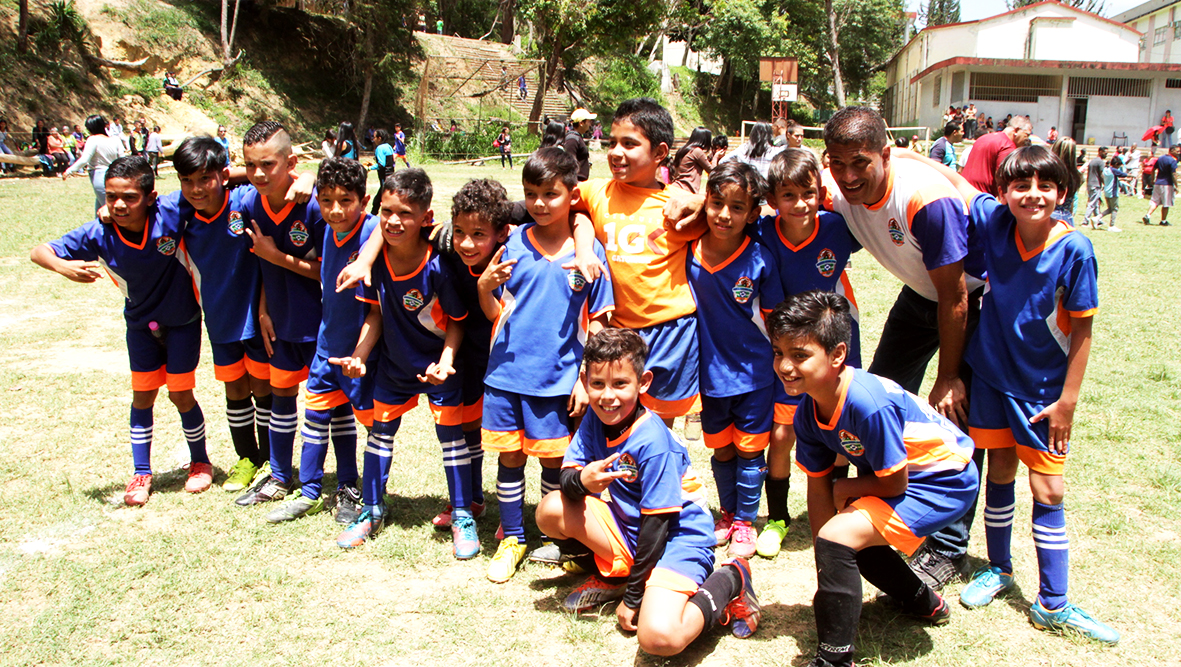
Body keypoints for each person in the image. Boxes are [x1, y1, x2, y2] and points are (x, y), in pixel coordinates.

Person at [938, 145, 1119, 644]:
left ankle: (1053, 604)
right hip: (992, 378)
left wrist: (1067, 402)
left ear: (1062, 193)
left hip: (1041, 394)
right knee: (998, 472)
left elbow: (1082, 332)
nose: (1032, 195)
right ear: (1003, 192)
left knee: (1049, 491)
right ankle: (998, 569)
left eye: (1045, 186)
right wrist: (901, 152)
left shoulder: (1075, 250)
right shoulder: (995, 221)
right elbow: (953, 181)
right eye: (1020, 185)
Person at [823, 107, 985, 590]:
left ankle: (949, 547)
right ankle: (877, 506)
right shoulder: (834, 185)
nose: (849, 176)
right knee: (875, 399)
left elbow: (956, 296)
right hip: (921, 294)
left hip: (973, 299)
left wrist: (949, 375)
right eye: (838, 163)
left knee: (957, 413)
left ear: (885, 156)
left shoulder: (923, 199)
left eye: (860, 164)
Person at [770, 291, 977, 667]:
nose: (785, 365)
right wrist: (825, 562)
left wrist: (846, 488)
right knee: (841, 542)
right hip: (897, 478)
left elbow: (894, 484)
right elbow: (818, 487)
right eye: (778, 353)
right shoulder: (808, 413)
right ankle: (925, 603)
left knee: (841, 536)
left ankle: (834, 660)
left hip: (943, 480)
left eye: (799, 355)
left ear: (837, 355)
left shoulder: (866, 403)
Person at [534, 328, 761, 652]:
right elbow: (569, 475)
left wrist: (634, 599)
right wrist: (583, 481)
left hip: (678, 537)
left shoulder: (653, 441)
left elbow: (658, 526)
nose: (607, 396)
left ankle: (733, 578)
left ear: (643, 383)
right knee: (550, 509)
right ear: (585, 382)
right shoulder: (596, 418)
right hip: (633, 530)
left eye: (620, 384)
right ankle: (618, 576)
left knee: (658, 638)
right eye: (598, 384)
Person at [30, 156, 212, 505]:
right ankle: (141, 473)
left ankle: (200, 461)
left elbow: (215, 180)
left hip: (183, 323)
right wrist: (62, 267)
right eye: (111, 196)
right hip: (140, 327)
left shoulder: (171, 212)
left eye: (129, 197)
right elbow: (39, 251)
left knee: (180, 394)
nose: (118, 205)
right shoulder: (98, 232)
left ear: (150, 197)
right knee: (142, 397)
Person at [477, 148, 614, 582]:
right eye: (531, 194)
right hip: (507, 374)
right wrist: (484, 287)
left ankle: (560, 540)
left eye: (551, 194)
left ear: (572, 195)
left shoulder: (589, 256)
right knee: (511, 458)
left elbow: (601, 326)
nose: (539, 203)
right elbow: (494, 312)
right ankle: (513, 538)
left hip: (558, 379)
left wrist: (584, 380)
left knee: (556, 464)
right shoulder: (513, 242)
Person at [332, 169, 475, 559]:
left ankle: (463, 514)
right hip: (394, 369)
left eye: (406, 213)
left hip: (438, 369)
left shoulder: (439, 265)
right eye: (387, 210)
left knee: (452, 443)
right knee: (379, 437)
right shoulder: (374, 262)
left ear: (426, 218)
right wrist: (359, 357)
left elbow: (458, 324)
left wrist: (445, 362)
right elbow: (375, 315)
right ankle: (372, 509)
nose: (394, 221)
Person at [570, 98, 708, 425]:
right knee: (612, 422)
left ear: (660, 153)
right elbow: (558, 203)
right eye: (611, 142)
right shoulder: (596, 192)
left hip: (672, 330)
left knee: (659, 426)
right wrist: (584, 247)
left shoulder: (677, 205)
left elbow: (731, 213)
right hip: (617, 332)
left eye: (629, 144)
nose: (616, 152)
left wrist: (701, 199)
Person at [752, 148, 861, 560]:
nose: (801, 204)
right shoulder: (763, 232)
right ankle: (778, 517)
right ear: (772, 199)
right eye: (789, 196)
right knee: (783, 433)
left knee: (840, 428)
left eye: (809, 193)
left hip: (836, 341)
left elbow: (872, 222)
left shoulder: (837, 227)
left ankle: (838, 506)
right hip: (787, 348)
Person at [265, 157, 378, 524]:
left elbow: (384, 225)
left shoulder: (372, 229)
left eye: (346, 200)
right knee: (315, 417)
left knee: (373, 427)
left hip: (363, 352)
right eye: (326, 200)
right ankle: (311, 491)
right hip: (326, 345)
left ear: (364, 199)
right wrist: (310, 175)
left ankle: (357, 490)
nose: (335, 209)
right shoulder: (328, 228)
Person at [163, 136, 275, 494]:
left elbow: (276, 180)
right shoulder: (181, 212)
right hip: (219, 316)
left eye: (205, 179)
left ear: (223, 176)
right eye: (187, 181)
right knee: (235, 388)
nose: (196, 189)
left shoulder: (244, 201)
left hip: (256, 315)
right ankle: (247, 459)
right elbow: (144, 205)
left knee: (264, 386)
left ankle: (273, 458)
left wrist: (302, 179)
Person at [687, 162, 783, 559]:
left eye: (737, 207)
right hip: (708, 377)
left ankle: (746, 520)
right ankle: (726, 514)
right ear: (705, 204)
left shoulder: (760, 258)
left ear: (754, 213)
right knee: (721, 450)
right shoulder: (687, 251)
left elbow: (775, 317)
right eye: (717, 203)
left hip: (753, 374)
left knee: (749, 451)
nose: (725, 214)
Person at [233, 121, 327, 507]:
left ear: (292, 161)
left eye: (268, 164)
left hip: (323, 323)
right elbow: (259, 267)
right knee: (282, 397)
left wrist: (278, 257)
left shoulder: (316, 204)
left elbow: (329, 270)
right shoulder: (250, 203)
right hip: (280, 321)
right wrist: (263, 309)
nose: (258, 173)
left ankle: (332, 482)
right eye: (251, 165)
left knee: (328, 408)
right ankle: (278, 475)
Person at [63, 114, 125, 212]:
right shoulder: (115, 140)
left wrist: (69, 171)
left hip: (99, 176)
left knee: (107, 211)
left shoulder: (92, 139)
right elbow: (122, 159)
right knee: (100, 211)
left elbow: (84, 159)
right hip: (115, 175)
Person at [962, 115, 1032, 196]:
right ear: (1016, 130)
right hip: (984, 197)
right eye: (1026, 135)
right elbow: (1002, 177)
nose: (1027, 139)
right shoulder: (1007, 145)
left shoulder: (984, 138)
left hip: (965, 192)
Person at [670, 126, 718, 194]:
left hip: (677, 187)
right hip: (687, 190)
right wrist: (716, 157)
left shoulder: (684, 150)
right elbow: (713, 171)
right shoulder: (697, 151)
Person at [1143, 143, 1179, 226]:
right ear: (1172, 150)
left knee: (1155, 201)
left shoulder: (1160, 158)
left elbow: (1153, 169)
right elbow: (1173, 174)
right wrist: (1176, 185)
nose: (1178, 153)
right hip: (1167, 184)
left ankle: (1148, 215)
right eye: (1177, 151)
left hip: (1158, 183)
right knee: (1166, 203)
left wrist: (1153, 179)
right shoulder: (1173, 160)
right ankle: (1163, 220)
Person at [1049, 137, 1081, 225]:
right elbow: (1072, 201)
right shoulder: (1076, 175)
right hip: (1067, 216)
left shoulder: (1049, 172)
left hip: (1050, 215)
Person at [1096, 155, 1125, 232]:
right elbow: (1124, 174)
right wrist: (1133, 176)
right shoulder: (1114, 170)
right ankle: (1112, 225)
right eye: (1118, 165)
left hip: (1106, 192)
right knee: (1115, 209)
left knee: (1110, 209)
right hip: (1113, 192)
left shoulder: (1106, 169)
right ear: (1116, 164)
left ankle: (1097, 218)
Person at [566, 109, 596, 180]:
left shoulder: (577, 137)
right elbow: (570, 162)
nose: (589, 124)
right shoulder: (572, 139)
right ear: (581, 123)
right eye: (588, 121)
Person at [1082, 146, 1107, 229]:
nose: (1106, 154)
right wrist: (1105, 183)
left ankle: (1097, 219)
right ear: (1100, 151)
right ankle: (1085, 221)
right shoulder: (1100, 162)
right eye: (1105, 152)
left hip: (1090, 183)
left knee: (1096, 203)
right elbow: (1101, 174)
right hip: (1096, 184)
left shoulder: (1093, 160)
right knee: (1092, 203)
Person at [369, 129, 392, 214]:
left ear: (379, 138)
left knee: (378, 200)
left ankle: (373, 215)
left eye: (374, 137)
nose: (373, 139)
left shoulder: (380, 148)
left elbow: (381, 164)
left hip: (384, 177)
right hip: (391, 176)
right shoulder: (388, 146)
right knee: (379, 198)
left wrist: (369, 168)